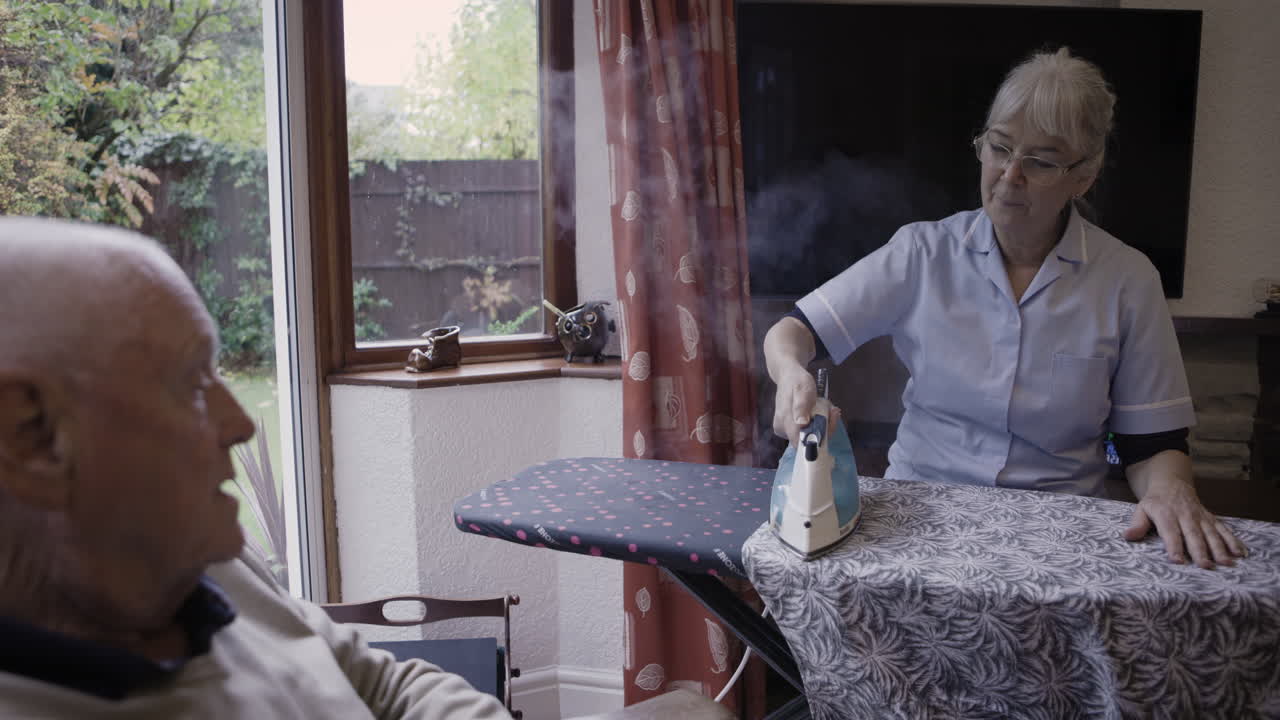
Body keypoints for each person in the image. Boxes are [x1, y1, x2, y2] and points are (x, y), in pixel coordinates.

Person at [0, 217, 511, 718]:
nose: (242, 423)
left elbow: (382, 682)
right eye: (192, 383)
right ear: (31, 435)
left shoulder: (210, 561)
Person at [764, 48, 1247, 570]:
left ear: (1083, 176)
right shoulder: (922, 254)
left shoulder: (1127, 281)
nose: (1010, 175)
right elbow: (795, 331)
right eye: (1000, 147)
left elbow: (1151, 444)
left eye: (1040, 161)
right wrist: (791, 373)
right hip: (921, 514)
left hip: (1057, 529)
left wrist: (1171, 490)